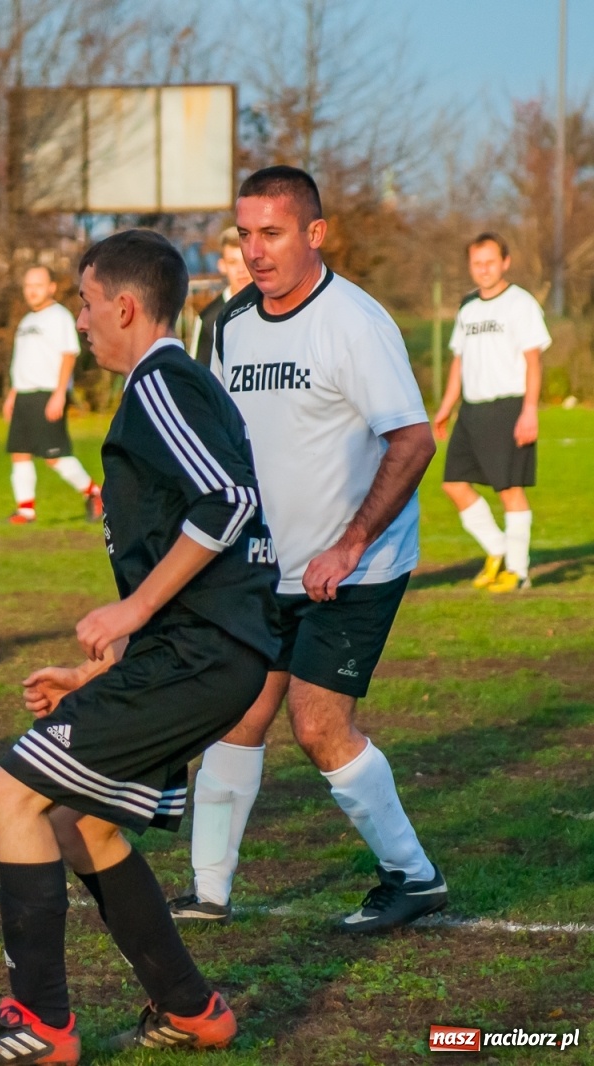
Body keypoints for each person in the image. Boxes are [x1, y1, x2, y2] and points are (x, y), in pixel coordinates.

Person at [0, 230, 278, 1064]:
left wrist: (130, 612)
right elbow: (196, 541)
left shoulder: (160, 383)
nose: (80, 321)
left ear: (124, 306)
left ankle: (40, 1023)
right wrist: (103, 666)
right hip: (196, 656)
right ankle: (193, 1009)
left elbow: (229, 503)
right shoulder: (165, 388)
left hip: (201, 657)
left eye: (86, 304)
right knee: (83, 823)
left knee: (8, 798)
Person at [170, 165, 445, 934]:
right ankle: (208, 891)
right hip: (266, 565)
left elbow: (414, 439)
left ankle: (414, 877)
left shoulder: (355, 322)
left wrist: (351, 543)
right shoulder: (226, 324)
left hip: (355, 567)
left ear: (314, 234)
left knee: (319, 725)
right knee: (239, 713)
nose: (255, 252)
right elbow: (221, 444)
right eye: (245, 235)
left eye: (273, 234)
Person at [432, 233, 549, 593]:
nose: (483, 269)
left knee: (509, 490)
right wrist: (446, 407)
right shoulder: (468, 308)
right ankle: (497, 550)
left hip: (509, 407)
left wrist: (529, 411)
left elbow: (534, 361)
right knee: (452, 485)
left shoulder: (520, 304)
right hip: (471, 410)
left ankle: (518, 572)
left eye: (490, 262)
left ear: (505, 262)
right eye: (477, 263)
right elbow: (459, 363)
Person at [2, 266, 103, 524]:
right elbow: (20, 361)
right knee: (20, 452)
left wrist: (60, 394)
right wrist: (13, 394)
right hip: (24, 394)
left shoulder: (58, 316)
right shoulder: (26, 321)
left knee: (54, 456)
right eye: (28, 285)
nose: (32, 290)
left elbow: (69, 354)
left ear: (51, 287)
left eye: (38, 284)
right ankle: (26, 511)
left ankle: (95, 493)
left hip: (48, 393)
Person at [188, 227, 252, 369]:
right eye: (233, 262)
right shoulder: (209, 319)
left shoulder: (275, 307)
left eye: (245, 260)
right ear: (222, 266)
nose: (241, 269)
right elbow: (199, 375)